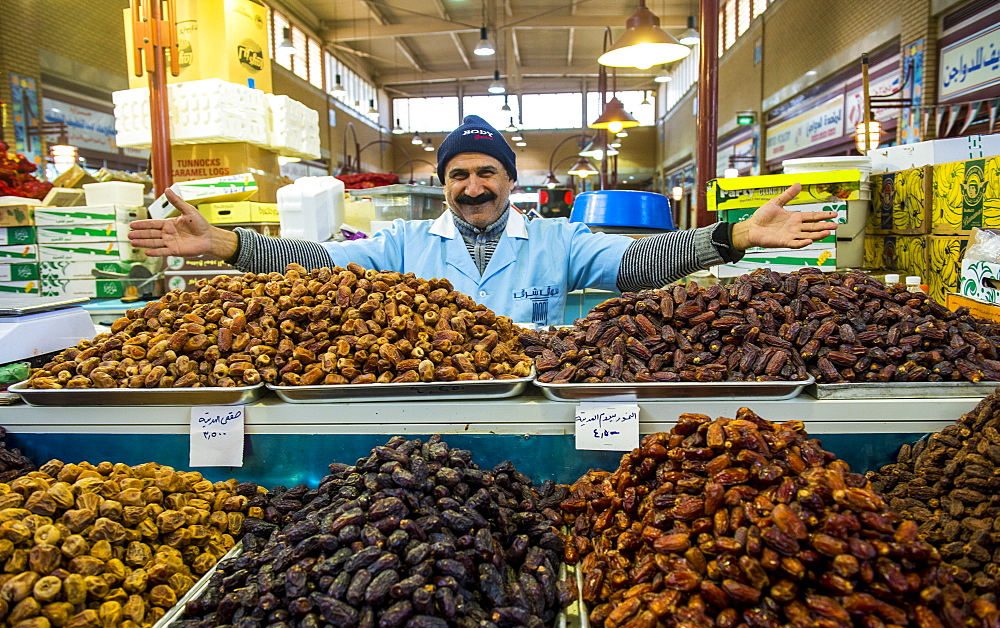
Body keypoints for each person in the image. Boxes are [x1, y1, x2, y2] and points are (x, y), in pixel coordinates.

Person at [129, 115, 837, 326]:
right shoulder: (405, 242)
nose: (473, 186)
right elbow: (320, 264)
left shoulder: (555, 239)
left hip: (537, 400)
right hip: (426, 407)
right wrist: (227, 243)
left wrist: (732, 236)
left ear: (511, 180)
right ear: (443, 185)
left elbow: (633, 265)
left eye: (487, 172)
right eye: (459, 175)